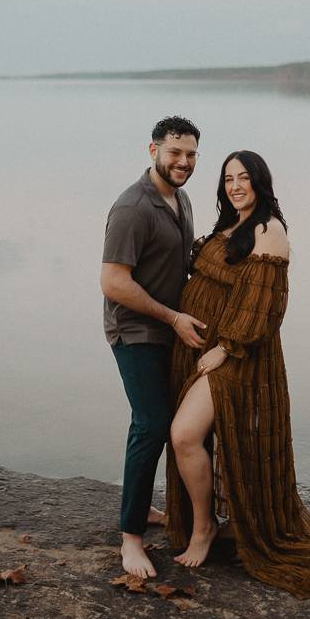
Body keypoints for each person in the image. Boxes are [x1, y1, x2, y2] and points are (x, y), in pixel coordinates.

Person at [166, 150, 310, 598]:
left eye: (244, 177)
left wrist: (225, 347)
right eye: (228, 178)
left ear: (260, 182)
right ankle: (210, 520)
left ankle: (205, 528)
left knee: (184, 434)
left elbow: (266, 305)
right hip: (202, 349)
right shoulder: (227, 227)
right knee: (195, 438)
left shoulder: (269, 230)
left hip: (239, 357)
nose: (235, 185)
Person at [101, 116, 206, 579]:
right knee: (153, 424)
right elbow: (113, 281)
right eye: (174, 153)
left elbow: (173, 265)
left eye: (191, 155)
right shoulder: (132, 208)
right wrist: (171, 317)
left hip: (168, 331)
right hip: (135, 331)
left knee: (151, 422)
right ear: (153, 151)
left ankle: (140, 507)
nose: (183, 162)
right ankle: (130, 541)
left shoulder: (179, 198)